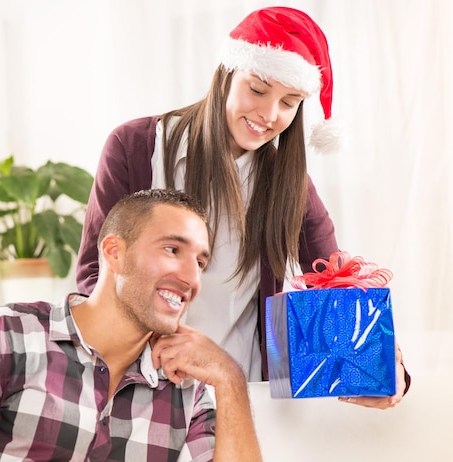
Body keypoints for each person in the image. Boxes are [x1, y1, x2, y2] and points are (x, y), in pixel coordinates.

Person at [76, 6, 410, 408]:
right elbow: (94, 274)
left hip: (239, 397)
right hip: (142, 387)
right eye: (257, 89)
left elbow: (334, 286)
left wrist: (382, 370)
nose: (269, 115)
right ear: (226, 75)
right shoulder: (135, 148)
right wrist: (158, 342)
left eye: (289, 103)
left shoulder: (291, 185)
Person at [0, 189, 263, 461]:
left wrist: (229, 377)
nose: (192, 278)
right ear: (114, 252)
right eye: (172, 249)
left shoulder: (188, 390)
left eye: (200, 263)